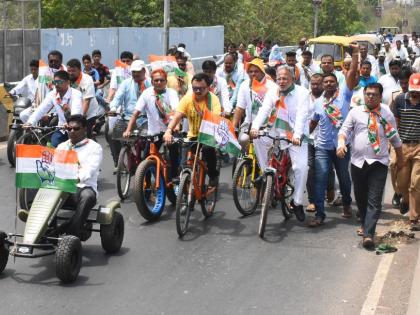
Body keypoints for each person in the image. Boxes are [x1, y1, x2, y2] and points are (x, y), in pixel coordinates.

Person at [337, 83, 403, 249]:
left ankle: (368, 234)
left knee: (374, 200)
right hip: (358, 162)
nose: (370, 97)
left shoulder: (386, 113)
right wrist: (341, 143)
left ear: (381, 97)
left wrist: (400, 159)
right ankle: (365, 222)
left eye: (374, 94)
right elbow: (344, 130)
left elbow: (394, 137)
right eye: (368, 94)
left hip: (379, 163)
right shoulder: (355, 112)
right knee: (360, 197)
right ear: (364, 95)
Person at [308, 43, 360, 227]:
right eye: (325, 82)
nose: (328, 83)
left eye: (331, 81)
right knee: (320, 179)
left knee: (344, 177)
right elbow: (313, 121)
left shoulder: (345, 96)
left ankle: (347, 203)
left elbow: (352, 74)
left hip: (341, 146)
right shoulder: (318, 102)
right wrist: (303, 135)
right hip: (322, 146)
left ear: (337, 83)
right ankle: (320, 214)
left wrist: (355, 56)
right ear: (322, 85)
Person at [249, 65, 310, 222]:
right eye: (279, 78)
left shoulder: (302, 93)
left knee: (301, 168)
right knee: (258, 139)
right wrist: (255, 127)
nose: (281, 81)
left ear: (292, 79)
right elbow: (264, 110)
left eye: (285, 78)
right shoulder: (273, 91)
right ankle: (265, 173)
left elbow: (302, 116)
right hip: (276, 130)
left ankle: (297, 202)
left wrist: (296, 136)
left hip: (296, 135)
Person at [163, 73, 221, 187]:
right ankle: (182, 179)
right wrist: (169, 130)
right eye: (195, 88)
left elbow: (216, 118)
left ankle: (213, 175)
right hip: (192, 135)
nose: (198, 91)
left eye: (201, 88)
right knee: (182, 160)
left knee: (208, 149)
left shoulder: (213, 99)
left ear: (208, 87)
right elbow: (177, 116)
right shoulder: (187, 99)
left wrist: (205, 115)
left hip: (208, 135)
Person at [124, 69, 180, 179]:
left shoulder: (171, 93)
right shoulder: (147, 93)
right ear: (152, 82)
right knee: (146, 160)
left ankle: (175, 178)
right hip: (154, 132)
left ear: (166, 81)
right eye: (156, 80)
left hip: (170, 130)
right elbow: (136, 113)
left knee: (174, 155)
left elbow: (177, 112)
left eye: (161, 80)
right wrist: (128, 130)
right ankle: (146, 189)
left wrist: (175, 127)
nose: (158, 82)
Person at [58, 114, 103, 238]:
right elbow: (53, 166)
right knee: (33, 187)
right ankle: (33, 217)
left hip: (82, 187)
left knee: (87, 196)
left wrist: (75, 178)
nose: (72, 131)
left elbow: (90, 170)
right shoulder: (62, 147)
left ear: (84, 129)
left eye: (76, 129)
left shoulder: (94, 148)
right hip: (61, 187)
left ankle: (71, 232)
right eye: (69, 129)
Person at [108, 60, 152, 168]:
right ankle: (118, 159)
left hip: (145, 119)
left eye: (137, 71)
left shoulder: (150, 83)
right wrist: (113, 108)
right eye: (133, 72)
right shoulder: (126, 83)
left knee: (148, 140)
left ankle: (147, 165)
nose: (135, 74)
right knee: (110, 133)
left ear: (143, 71)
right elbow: (117, 98)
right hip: (127, 117)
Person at [25, 71, 83, 147]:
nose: (56, 84)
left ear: (67, 82)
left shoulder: (76, 94)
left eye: (59, 82)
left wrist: (70, 124)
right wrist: (30, 122)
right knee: (53, 145)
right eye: (54, 82)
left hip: (76, 129)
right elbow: (41, 109)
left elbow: (76, 112)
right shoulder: (53, 94)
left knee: (76, 150)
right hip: (62, 129)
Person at [392, 73, 420, 230]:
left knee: (416, 183)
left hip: (419, 146)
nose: (415, 93)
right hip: (402, 145)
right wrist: (393, 144)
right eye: (413, 90)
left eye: (418, 90)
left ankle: (414, 218)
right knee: (402, 183)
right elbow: (394, 124)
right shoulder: (400, 100)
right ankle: (405, 199)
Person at [66, 59, 99, 140]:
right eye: (69, 71)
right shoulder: (67, 79)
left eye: (73, 71)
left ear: (80, 70)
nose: (70, 73)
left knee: (85, 136)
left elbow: (86, 101)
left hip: (88, 113)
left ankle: (94, 149)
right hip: (74, 112)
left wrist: (79, 119)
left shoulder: (87, 79)